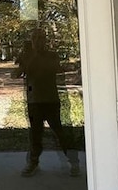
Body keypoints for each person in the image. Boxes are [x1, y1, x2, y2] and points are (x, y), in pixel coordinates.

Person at [13, 29, 80, 177]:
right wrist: (24, 59)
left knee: (60, 132)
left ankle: (74, 162)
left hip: (51, 100)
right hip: (34, 101)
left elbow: (56, 69)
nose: (38, 41)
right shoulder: (26, 56)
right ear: (31, 40)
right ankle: (33, 162)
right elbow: (15, 74)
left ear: (45, 40)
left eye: (41, 38)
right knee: (35, 134)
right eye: (35, 38)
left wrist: (34, 57)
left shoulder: (52, 56)